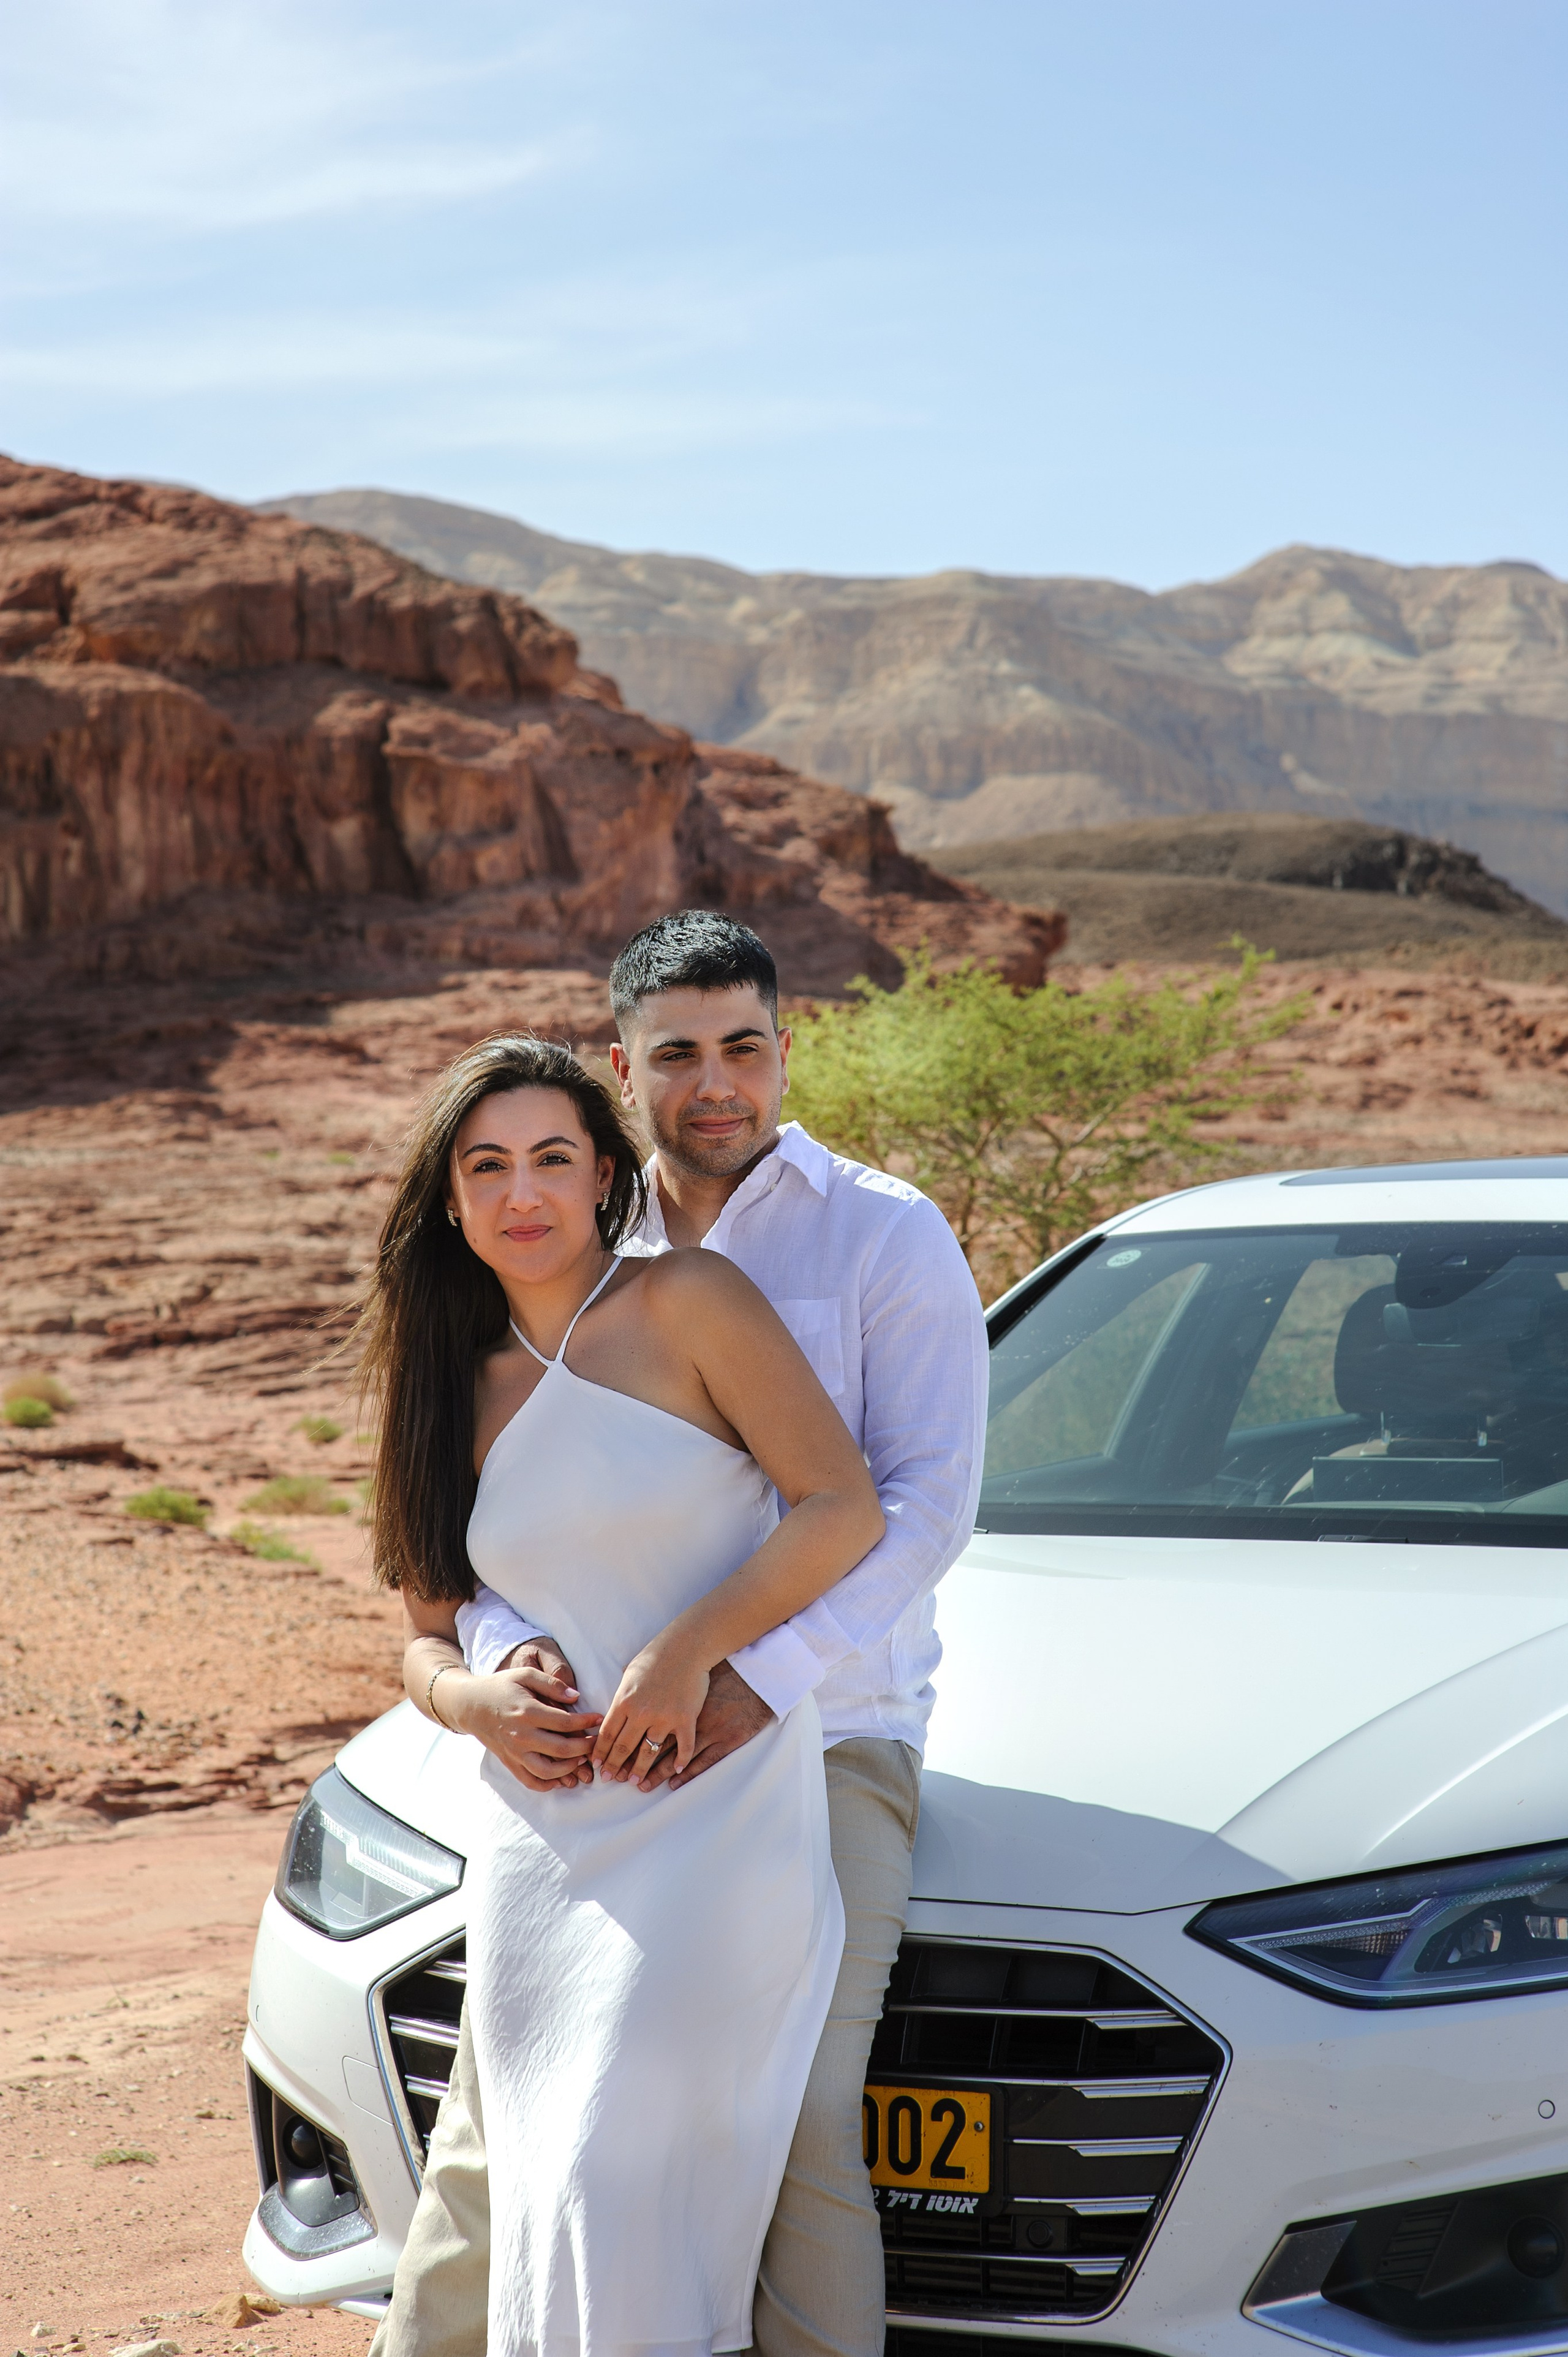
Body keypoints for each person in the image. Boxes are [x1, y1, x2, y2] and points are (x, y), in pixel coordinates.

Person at [384, 912, 989, 2357]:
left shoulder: (884, 1231)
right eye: (676, 1055)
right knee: (495, 2121)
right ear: (623, 1073)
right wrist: (501, 1670)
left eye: (741, 1048)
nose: (713, 1083)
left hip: (825, 1732)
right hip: (585, 1775)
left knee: (795, 2116)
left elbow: (915, 1509)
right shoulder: (577, 1237)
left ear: (788, 1052)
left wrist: (733, 1674)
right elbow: (506, 1551)